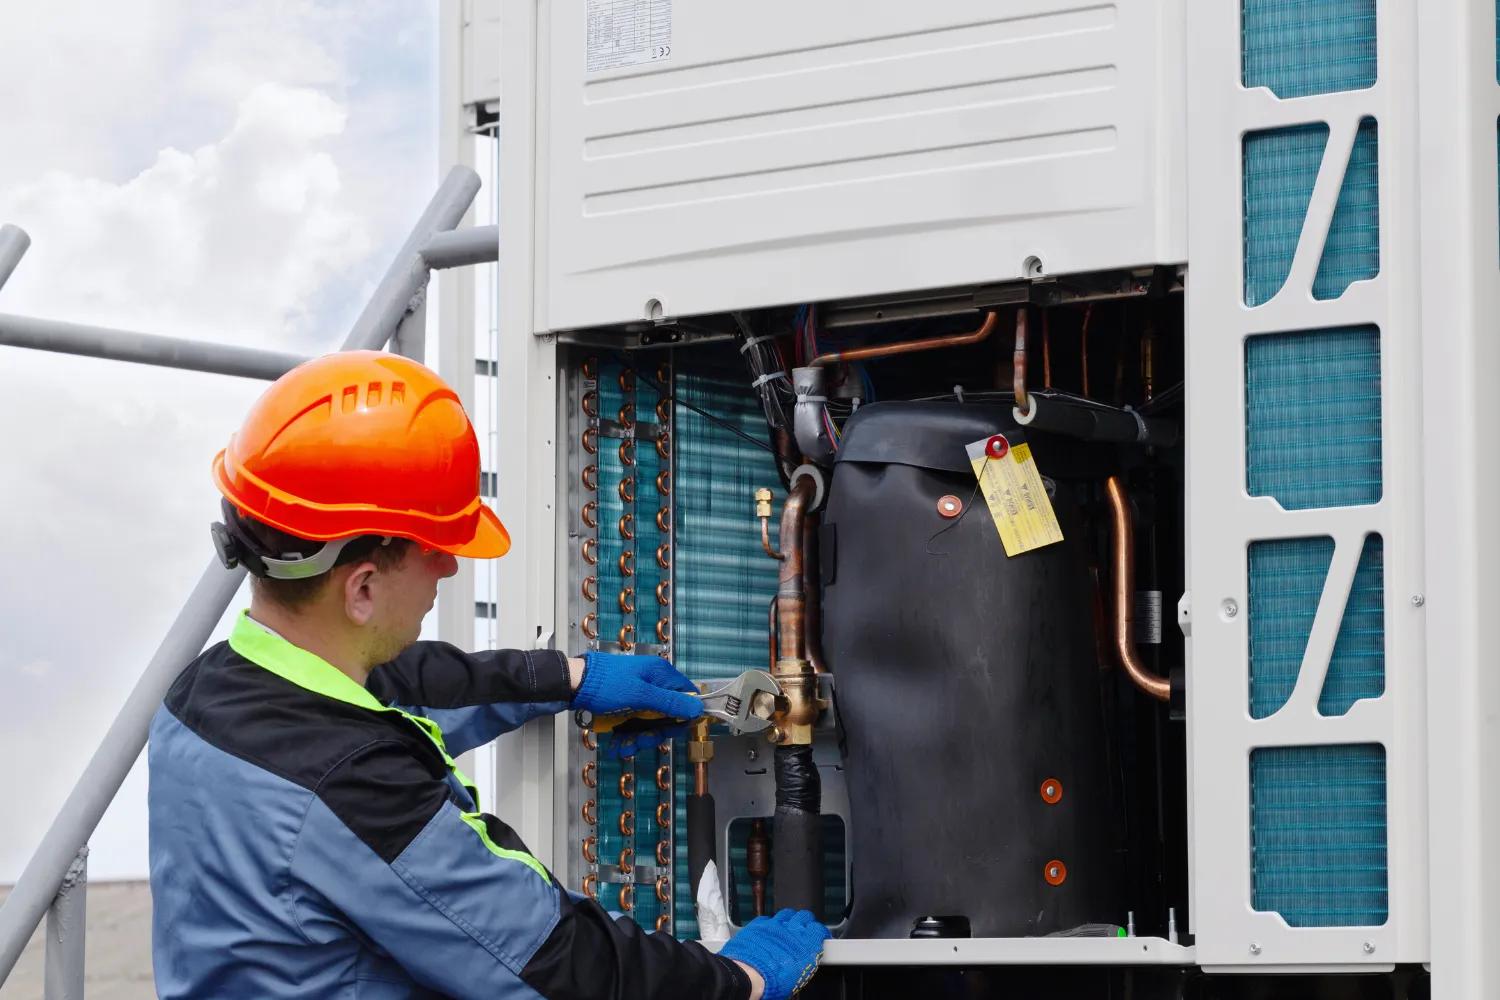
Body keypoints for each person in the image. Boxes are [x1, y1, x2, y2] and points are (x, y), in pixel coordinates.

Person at [148, 351, 829, 999]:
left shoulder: (205, 695)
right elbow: (552, 965)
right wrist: (740, 978)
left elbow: (400, 688)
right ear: (360, 589)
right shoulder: (351, 788)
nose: (449, 567)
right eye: (434, 549)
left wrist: (568, 677)